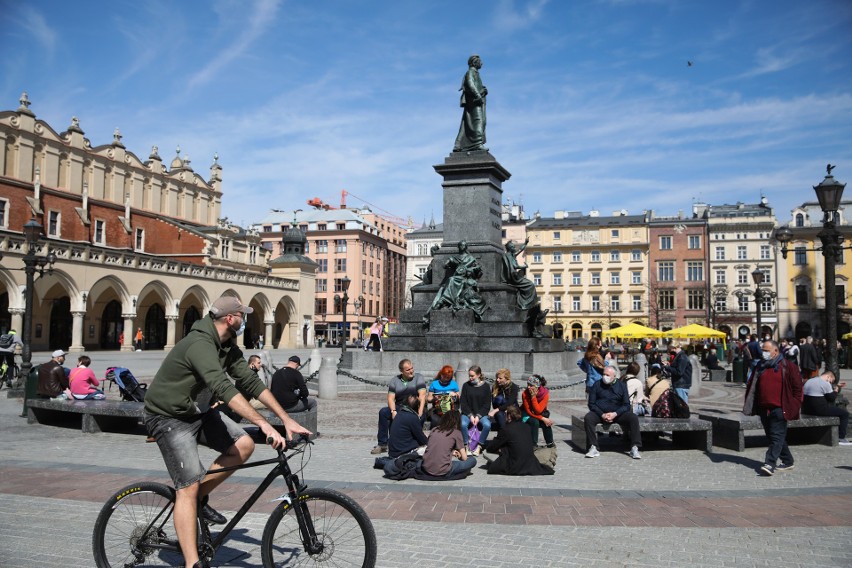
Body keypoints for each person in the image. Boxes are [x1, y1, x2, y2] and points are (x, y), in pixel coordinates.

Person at [143, 295, 311, 568]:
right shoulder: (200, 343)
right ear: (230, 319)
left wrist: (285, 419)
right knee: (187, 488)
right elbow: (223, 387)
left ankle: (199, 498)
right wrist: (264, 424)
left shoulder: (227, 346)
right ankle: (191, 562)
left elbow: (250, 382)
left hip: (197, 412)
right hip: (168, 417)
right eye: (243, 316)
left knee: (243, 445)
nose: (245, 321)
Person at [742, 340, 803, 476]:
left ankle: (770, 463)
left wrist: (794, 404)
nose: (763, 353)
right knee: (773, 436)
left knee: (776, 436)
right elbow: (753, 386)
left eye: (766, 350)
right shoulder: (760, 365)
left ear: (776, 351)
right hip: (764, 408)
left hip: (781, 408)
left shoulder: (789, 367)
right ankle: (788, 461)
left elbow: (798, 389)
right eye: (762, 350)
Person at [583, 366, 642, 459]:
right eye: (604, 374)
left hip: (617, 413)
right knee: (588, 418)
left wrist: (615, 413)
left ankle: (635, 447)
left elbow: (626, 405)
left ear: (614, 376)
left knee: (633, 417)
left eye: (607, 375)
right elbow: (591, 404)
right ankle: (593, 447)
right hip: (601, 413)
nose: (604, 376)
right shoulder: (597, 384)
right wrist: (602, 414)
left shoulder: (621, 385)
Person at [372, 359, 427, 454]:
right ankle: (382, 444)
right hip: (400, 406)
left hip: (415, 407)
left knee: (421, 416)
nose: (411, 371)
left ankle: (417, 442)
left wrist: (420, 412)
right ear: (402, 371)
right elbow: (390, 398)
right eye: (408, 370)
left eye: (412, 368)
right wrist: (393, 411)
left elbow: (422, 396)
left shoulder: (419, 377)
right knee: (384, 412)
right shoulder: (395, 380)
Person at [484, 405, 554, 476]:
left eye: (506, 414)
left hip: (514, 465)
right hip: (530, 463)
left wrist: (502, 449)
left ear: (509, 416)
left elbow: (490, 448)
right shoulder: (526, 427)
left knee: (486, 454)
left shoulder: (506, 429)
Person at [421, 410, 476, 478]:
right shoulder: (456, 432)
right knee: (472, 460)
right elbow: (464, 458)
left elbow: (435, 446)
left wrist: (451, 451)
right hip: (443, 470)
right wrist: (460, 456)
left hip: (426, 467)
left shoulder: (434, 429)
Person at [802, 371, 852, 445]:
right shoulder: (825, 383)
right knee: (844, 414)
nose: (831, 383)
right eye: (832, 381)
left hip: (806, 409)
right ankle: (841, 438)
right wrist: (836, 390)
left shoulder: (810, 380)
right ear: (828, 377)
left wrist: (835, 386)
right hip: (819, 410)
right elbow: (831, 398)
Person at [453, 54, 487, 152]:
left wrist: (484, 90)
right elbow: (470, 84)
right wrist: (477, 95)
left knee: (469, 122)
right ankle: (477, 143)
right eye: (480, 61)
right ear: (475, 62)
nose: (481, 63)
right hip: (474, 101)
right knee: (478, 120)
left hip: (477, 101)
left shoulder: (476, 73)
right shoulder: (470, 72)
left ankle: (459, 144)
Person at [459, 365, 492, 455]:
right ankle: (467, 445)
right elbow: (463, 403)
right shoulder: (466, 385)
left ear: (478, 375)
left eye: (472, 376)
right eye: (469, 376)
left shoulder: (486, 386)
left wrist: (478, 416)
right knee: (463, 424)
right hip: (467, 413)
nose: (470, 378)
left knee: (487, 425)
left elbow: (487, 404)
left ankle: (479, 446)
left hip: (481, 414)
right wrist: (470, 415)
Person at [500, 239, 538, 310]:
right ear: (510, 248)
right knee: (531, 285)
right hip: (514, 278)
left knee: (529, 285)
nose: (514, 248)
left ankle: (527, 303)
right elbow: (515, 266)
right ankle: (525, 304)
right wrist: (524, 266)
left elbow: (520, 250)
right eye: (513, 247)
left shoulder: (511, 255)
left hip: (514, 276)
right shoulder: (509, 256)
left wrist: (525, 243)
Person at [387, 393, 429, 458]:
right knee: (431, 449)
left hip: (393, 452)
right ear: (417, 406)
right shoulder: (412, 417)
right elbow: (421, 438)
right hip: (404, 453)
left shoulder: (399, 414)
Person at [521, 375, 555, 447]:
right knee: (535, 422)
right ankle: (533, 445)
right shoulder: (525, 393)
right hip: (526, 414)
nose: (528, 387)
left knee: (546, 423)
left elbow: (538, 411)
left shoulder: (545, 394)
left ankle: (550, 443)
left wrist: (533, 397)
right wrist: (542, 418)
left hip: (538, 413)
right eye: (528, 385)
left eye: (531, 385)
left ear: (537, 386)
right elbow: (528, 411)